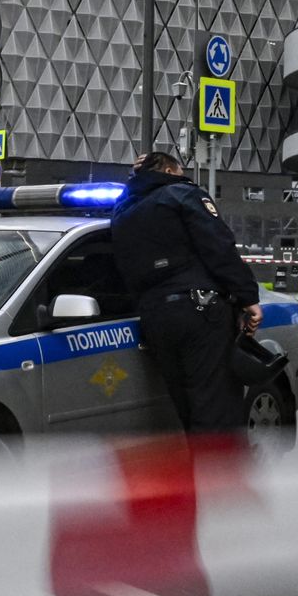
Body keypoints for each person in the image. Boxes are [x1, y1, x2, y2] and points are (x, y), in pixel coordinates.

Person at [110, 151, 262, 437]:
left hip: (154, 317)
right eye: (180, 171)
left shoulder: (122, 212)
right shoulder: (181, 194)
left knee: (186, 409)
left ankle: (196, 473)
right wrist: (248, 298)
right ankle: (216, 477)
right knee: (215, 407)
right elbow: (219, 247)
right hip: (199, 312)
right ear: (169, 170)